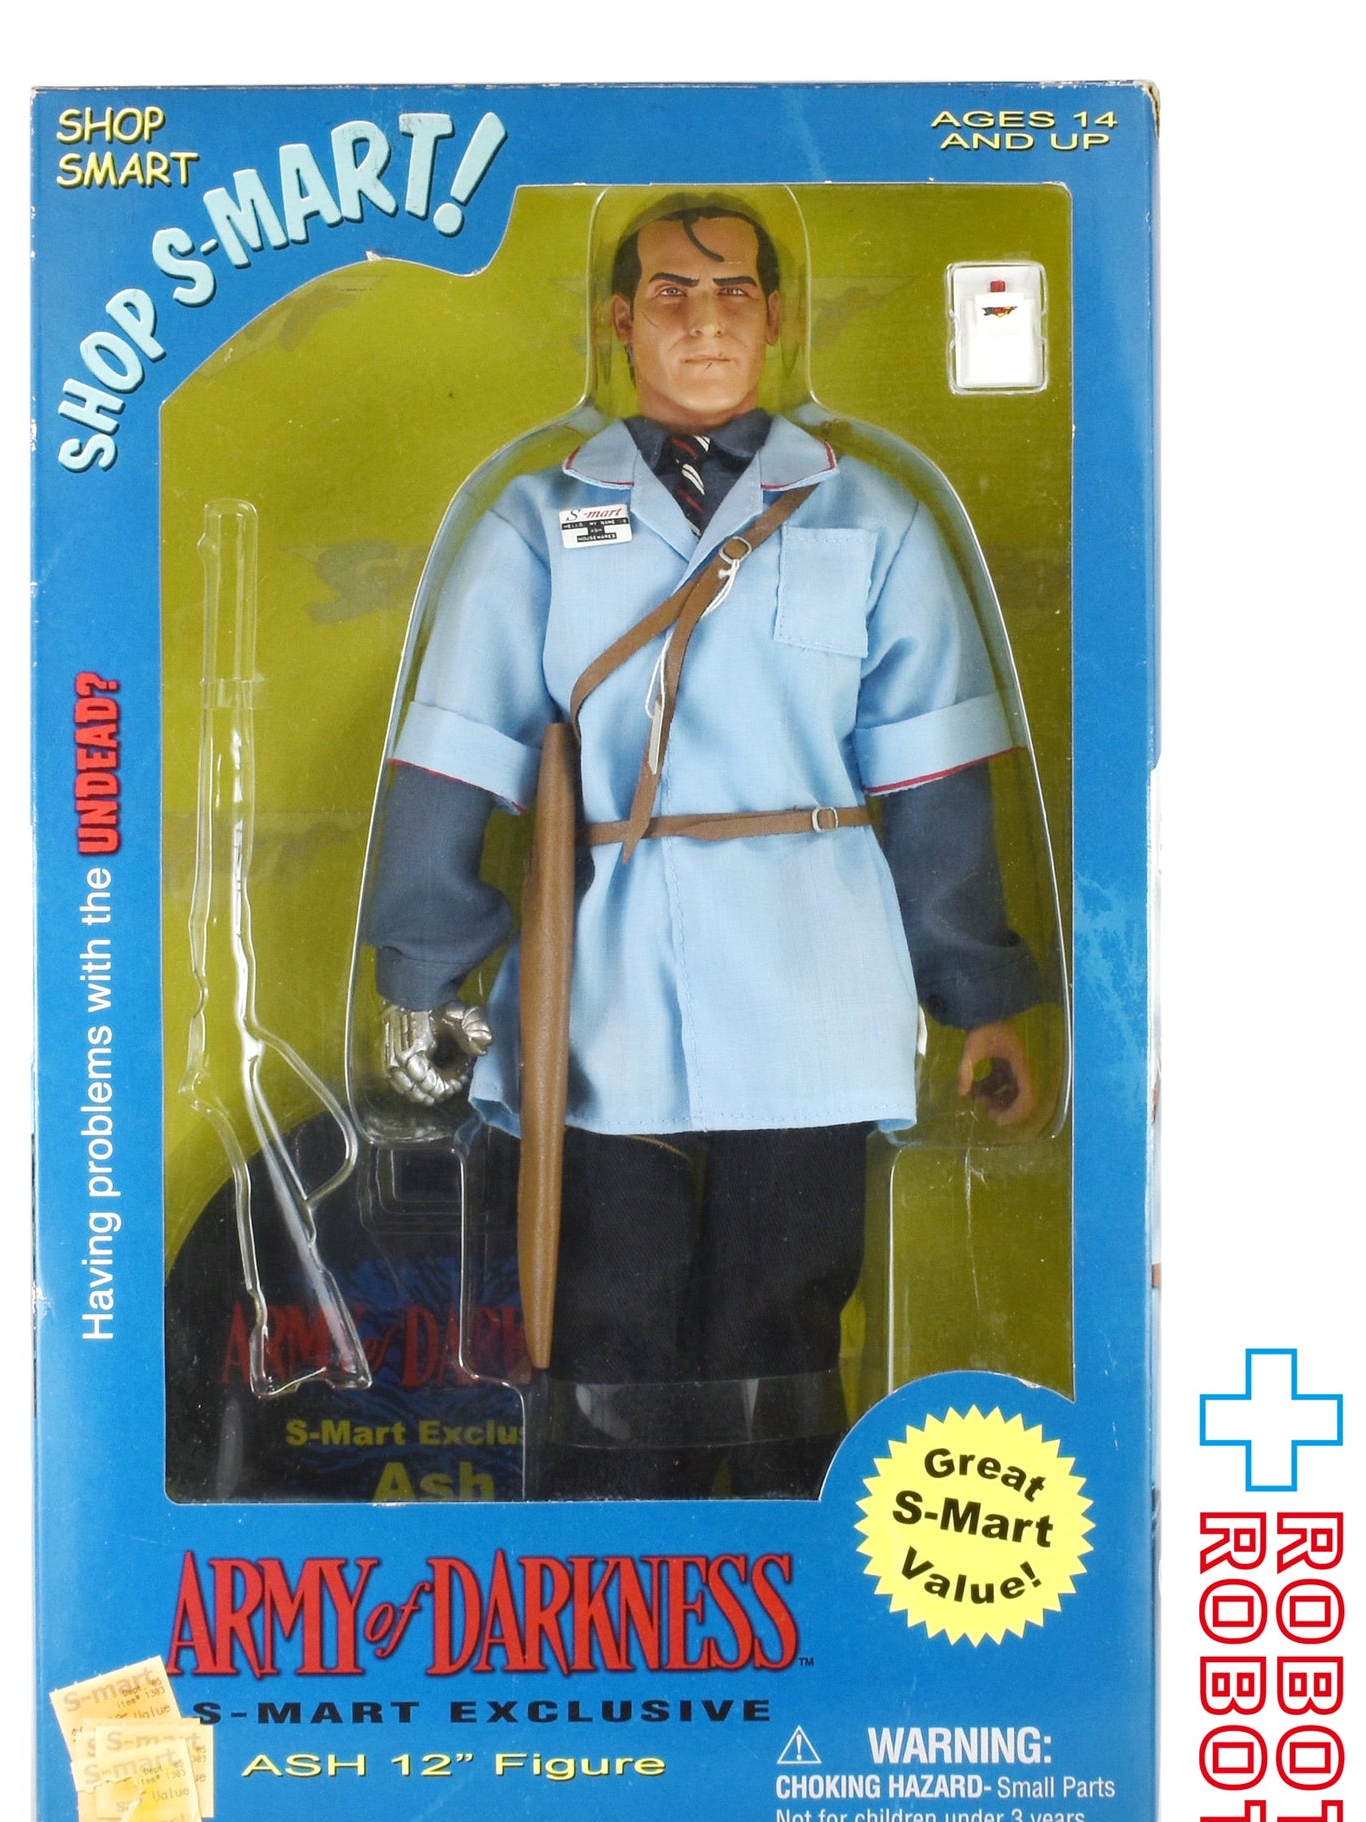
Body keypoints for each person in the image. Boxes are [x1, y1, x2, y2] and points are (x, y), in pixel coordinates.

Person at [365, 202, 1044, 1498]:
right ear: (618, 321)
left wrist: (978, 998)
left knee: (784, 1316)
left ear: (777, 317)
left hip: (815, 980)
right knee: (602, 1313)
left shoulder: (872, 517)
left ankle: (789, 1565)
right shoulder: (537, 518)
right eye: (671, 293)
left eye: (734, 292)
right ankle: (608, 1574)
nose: (706, 320)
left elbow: (933, 774)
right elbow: (456, 747)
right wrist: (422, 976)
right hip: (606, 983)